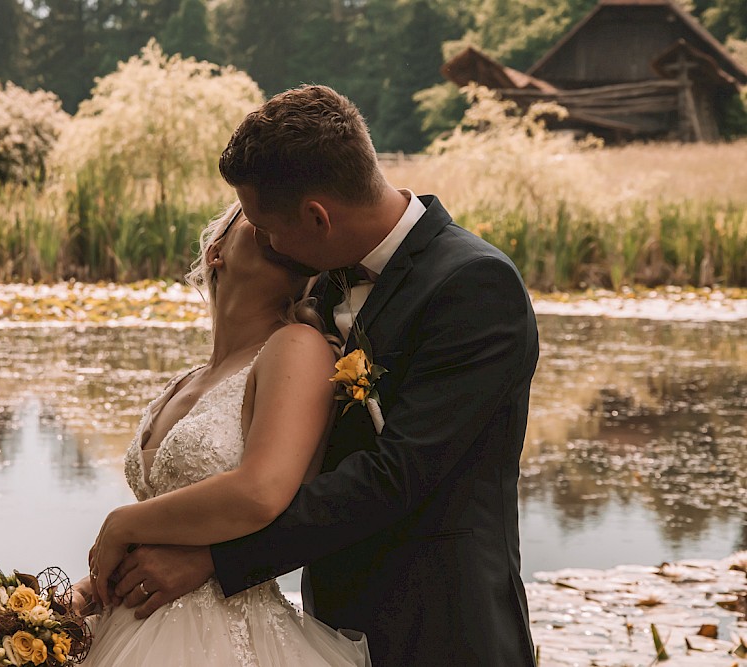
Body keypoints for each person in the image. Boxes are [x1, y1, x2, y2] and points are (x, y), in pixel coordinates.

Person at [104, 85, 541, 666]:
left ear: (316, 216)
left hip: (441, 628)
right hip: (329, 621)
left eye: (268, 229)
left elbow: (397, 474)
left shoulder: (473, 285)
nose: (271, 246)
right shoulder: (321, 283)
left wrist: (217, 559)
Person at [79, 203, 371, 665]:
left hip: (226, 634)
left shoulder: (296, 347)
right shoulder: (187, 380)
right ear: (217, 252)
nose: (276, 216)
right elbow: (171, 526)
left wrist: (122, 523)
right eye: (256, 211)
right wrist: (88, 590)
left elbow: (259, 492)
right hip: (133, 627)